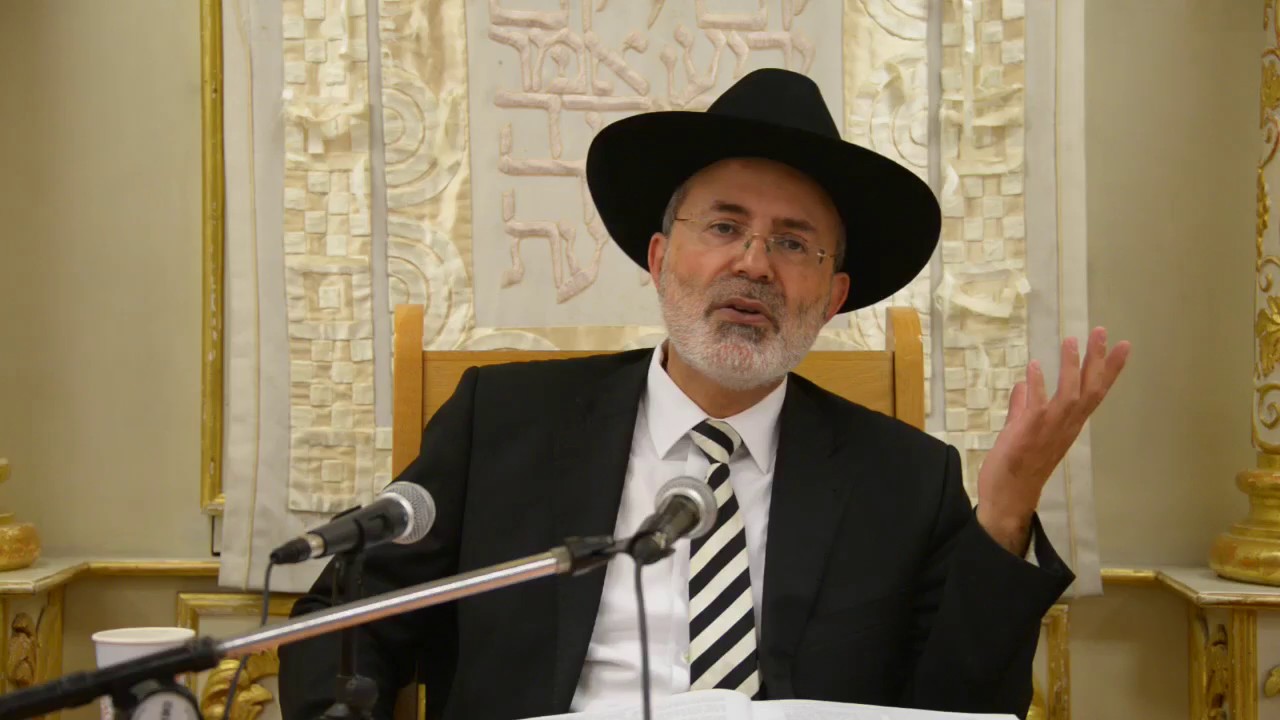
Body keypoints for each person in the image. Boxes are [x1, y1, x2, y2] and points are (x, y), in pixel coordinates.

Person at [278, 68, 1130, 720]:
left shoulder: (905, 479)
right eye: (724, 226)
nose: (753, 264)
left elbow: (962, 709)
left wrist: (1006, 510)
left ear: (832, 297)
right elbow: (347, 619)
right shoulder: (503, 424)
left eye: (793, 244)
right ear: (660, 260)